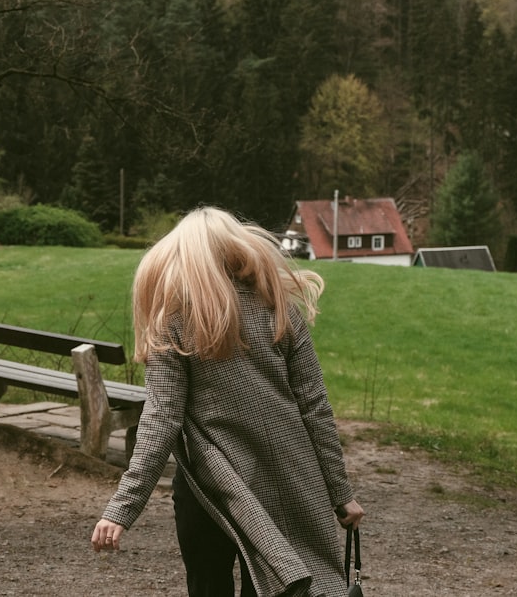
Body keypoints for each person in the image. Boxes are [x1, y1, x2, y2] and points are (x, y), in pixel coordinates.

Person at [91, 206, 364, 597]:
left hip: (209, 483)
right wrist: (341, 493)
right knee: (279, 587)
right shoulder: (280, 311)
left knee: (207, 586)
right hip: (287, 476)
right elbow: (315, 408)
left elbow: (161, 419)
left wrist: (122, 507)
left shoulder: (175, 320)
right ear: (238, 250)